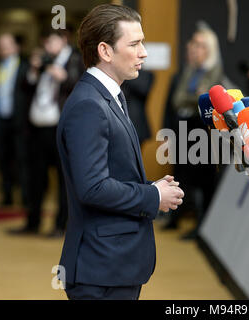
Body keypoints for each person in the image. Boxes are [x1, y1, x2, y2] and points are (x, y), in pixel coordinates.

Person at [56, 4, 184, 300]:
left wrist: (152, 188)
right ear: (105, 50)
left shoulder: (109, 96)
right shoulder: (90, 105)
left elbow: (110, 174)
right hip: (99, 268)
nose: (144, 52)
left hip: (110, 265)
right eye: (134, 43)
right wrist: (153, 196)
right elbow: (92, 187)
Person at [8, 29, 84, 237]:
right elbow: (26, 87)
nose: (47, 46)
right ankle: (33, 222)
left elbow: (80, 88)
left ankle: (61, 225)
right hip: (37, 128)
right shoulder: (43, 60)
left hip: (61, 129)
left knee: (63, 180)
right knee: (36, 177)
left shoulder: (75, 59)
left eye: (51, 41)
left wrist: (64, 77)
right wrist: (34, 70)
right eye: (46, 42)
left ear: (63, 40)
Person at [162, 24, 225, 239]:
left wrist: (195, 99)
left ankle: (201, 225)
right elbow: (178, 99)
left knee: (203, 181)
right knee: (181, 175)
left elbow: (206, 101)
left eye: (199, 45)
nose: (193, 48)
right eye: (194, 44)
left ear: (209, 48)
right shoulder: (190, 70)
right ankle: (176, 218)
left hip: (204, 134)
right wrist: (195, 99)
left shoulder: (215, 71)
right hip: (184, 130)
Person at [0, 33, 29, 207]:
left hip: (20, 121)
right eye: (0, 45)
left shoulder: (24, 66)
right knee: (3, 159)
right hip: (2, 120)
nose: (2, 49)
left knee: (22, 160)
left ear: (16, 47)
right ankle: (7, 196)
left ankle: (25, 197)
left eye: (6, 45)